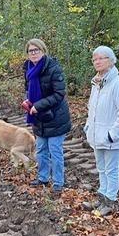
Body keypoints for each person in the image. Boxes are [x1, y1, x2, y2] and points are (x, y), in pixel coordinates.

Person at [82, 46, 119, 216]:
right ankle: (101, 197)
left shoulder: (118, 84)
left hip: (111, 138)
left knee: (111, 170)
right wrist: (88, 127)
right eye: (94, 59)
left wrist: (113, 135)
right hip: (97, 136)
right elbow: (92, 109)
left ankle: (109, 201)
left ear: (111, 61)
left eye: (101, 58)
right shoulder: (96, 84)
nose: (97, 61)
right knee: (101, 168)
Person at [23, 38, 72, 194]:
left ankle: (58, 182)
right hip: (38, 117)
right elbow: (28, 89)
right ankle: (43, 177)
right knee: (41, 148)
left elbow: (59, 94)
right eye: (31, 51)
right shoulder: (28, 68)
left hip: (55, 116)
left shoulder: (53, 68)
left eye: (37, 50)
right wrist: (28, 101)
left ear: (43, 51)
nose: (34, 53)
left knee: (55, 150)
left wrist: (39, 105)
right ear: (27, 54)